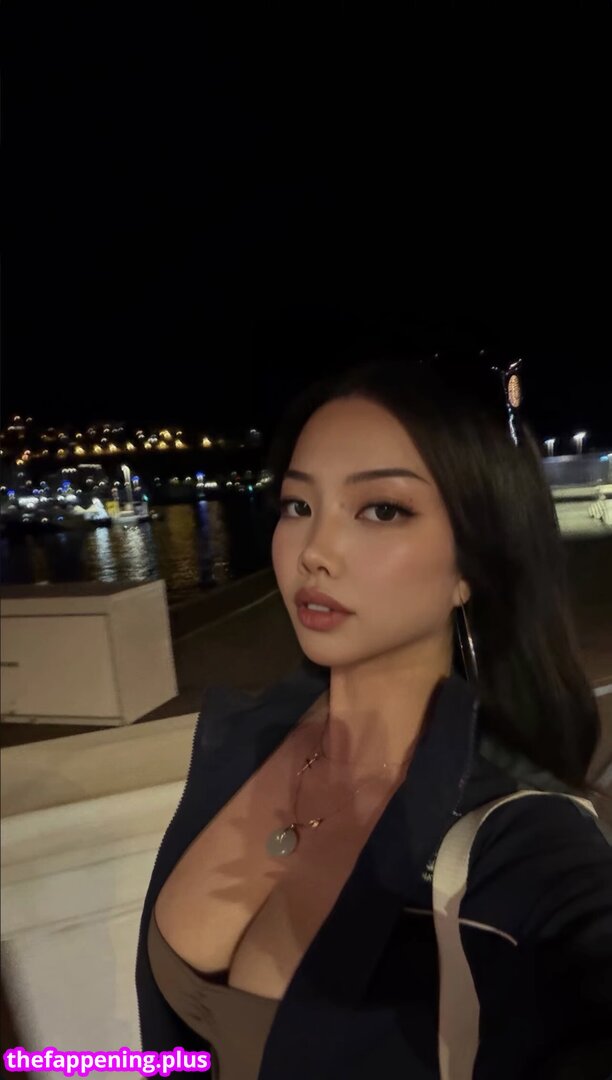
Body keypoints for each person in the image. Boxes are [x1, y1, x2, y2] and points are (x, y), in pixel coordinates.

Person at [135, 348, 612, 1079]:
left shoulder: (518, 841)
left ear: (471, 564)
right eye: (298, 506)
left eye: (382, 509)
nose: (315, 551)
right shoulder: (244, 739)